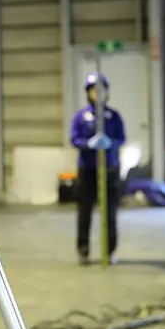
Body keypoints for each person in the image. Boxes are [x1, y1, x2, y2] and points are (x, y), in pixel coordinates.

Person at [70, 73, 126, 266]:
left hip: (109, 169)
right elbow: (74, 139)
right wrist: (88, 144)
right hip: (88, 170)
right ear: (89, 93)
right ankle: (83, 251)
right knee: (84, 212)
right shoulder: (81, 117)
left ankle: (109, 251)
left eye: (101, 90)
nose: (98, 94)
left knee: (110, 213)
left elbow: (121, 138)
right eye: (94, 90)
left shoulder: (114, 116)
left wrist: (111, 143)